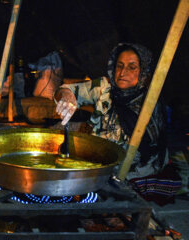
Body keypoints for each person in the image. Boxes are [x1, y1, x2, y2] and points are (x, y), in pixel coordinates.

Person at [55, 43, 169, 180]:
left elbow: (151, 149)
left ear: (144, 71)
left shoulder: (150, 103)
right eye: (119, 66)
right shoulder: (105, 87)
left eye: (131, 67)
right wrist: (67, 96)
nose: (122, 73)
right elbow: (65, 90)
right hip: (98, 161)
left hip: (135, 170)